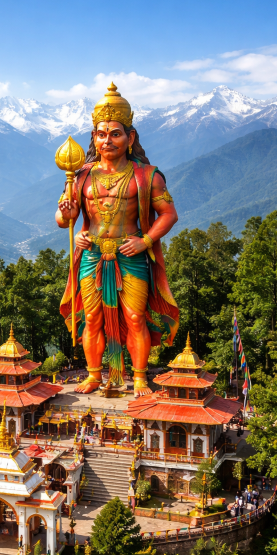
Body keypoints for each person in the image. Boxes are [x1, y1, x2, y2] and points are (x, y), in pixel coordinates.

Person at [57, 83, 179, 396]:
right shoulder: (81, 175)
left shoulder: (147, 175)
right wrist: (70, 218)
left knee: (135, 317)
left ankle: (138, 377)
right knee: (92, 317)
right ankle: (94, 374)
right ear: (93, 138)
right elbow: (62, 219)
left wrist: (146, 240)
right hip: (92, 253)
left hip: (131, 252)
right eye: (101, 134)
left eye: (115, 133)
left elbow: (168, 214)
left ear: (130, 137)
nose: (107, 140)